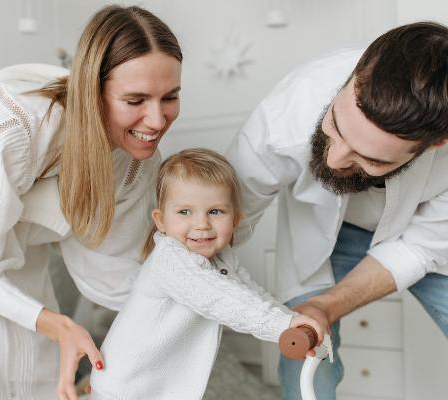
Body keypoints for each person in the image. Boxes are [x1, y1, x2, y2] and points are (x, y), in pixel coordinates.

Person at [0, 5, 182, 400]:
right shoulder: (13, 125)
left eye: (170, 97)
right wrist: (59, 324)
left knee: (38, 375)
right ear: (92, 90)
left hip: (11, 241)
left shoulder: (133, 162)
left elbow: (112, 275)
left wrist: (183, 306)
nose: (156, 120)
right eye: (135, 100)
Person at [225, 21, 448, 400]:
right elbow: (227, 214)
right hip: (324, 232)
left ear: (438, 142)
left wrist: (328, 305)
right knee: (306, 369)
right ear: (355, 76)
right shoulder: (296, 102)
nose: (335, 158)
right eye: (335, 126)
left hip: (431, 235)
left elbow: (420, 248)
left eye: (370, 158)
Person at [89, 148, 323, 400]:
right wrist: (281, 325)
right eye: (184, 212)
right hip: (125, 387)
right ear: (161, 220)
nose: (201, 224)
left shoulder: (222, 258)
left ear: (235, 220)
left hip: (159, 387)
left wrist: (291, 320)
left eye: (215, 212)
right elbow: (219, 298)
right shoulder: (170, 260)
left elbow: (247, 293)